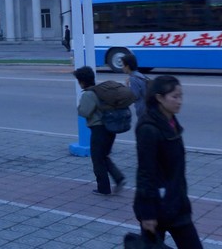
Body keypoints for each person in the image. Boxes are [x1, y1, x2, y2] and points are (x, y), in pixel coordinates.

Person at [134, 76, 203, 249]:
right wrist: (148, 213)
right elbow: (145, 172)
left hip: (176, 203)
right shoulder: (148, 128)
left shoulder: (171, 122)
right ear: (159, 98)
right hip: (156, 206)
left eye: (181, 96)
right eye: (174, 96)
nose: (180, 101)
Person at [73, 66, 125, 196]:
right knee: (104, 156)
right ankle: (118, 178)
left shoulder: (88, 94)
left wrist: (79, 106)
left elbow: (84, 112)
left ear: (81, 81)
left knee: (97, 160)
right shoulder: (100, 91)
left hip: (99, 130)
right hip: (110, 128)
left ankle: (103, 188)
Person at [122, 54, 150, 120]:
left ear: (127, 66)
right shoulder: (140, 75)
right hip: (148, 107)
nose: (122, 68)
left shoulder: (133, 78)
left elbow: (134, 96)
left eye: (123, 65)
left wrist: (127, 86)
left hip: (142, 109)